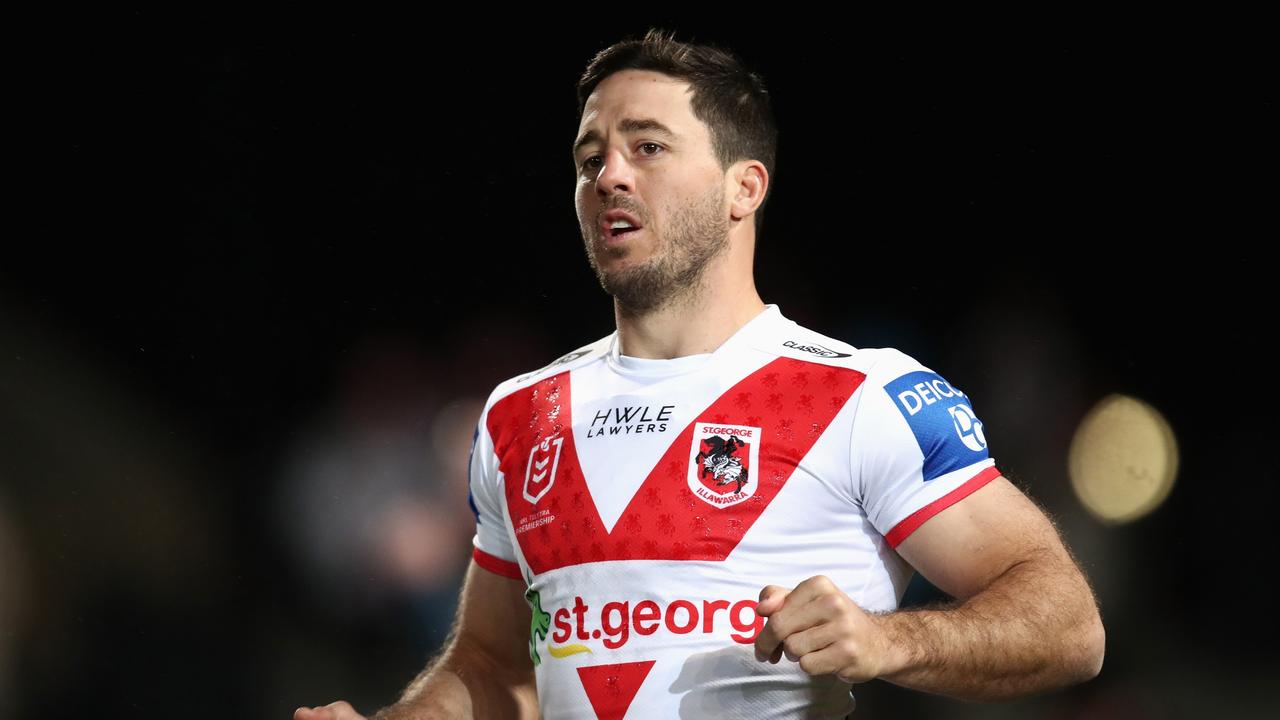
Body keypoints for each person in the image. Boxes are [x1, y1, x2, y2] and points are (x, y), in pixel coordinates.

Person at [295, 29, 1105, 720]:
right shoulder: (521, 415)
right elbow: (491, 666)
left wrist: (888, 638)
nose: (608, 175)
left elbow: (1068, 626)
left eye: (647, 146)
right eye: (590, 157)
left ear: (742, 187)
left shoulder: (860, 396)